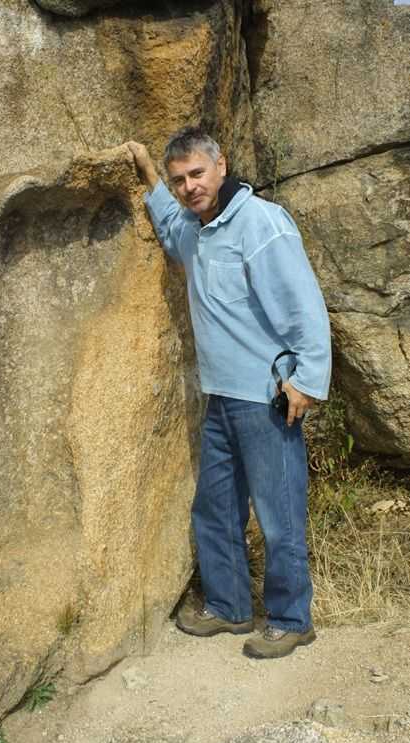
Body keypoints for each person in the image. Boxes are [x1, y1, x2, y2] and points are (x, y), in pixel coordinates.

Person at [126, 127, 331, 659]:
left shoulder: (260, 222)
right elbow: (170, 227)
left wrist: (307, 381)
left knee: (278, 514)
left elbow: (304, 305)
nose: (189, 187)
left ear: (221, 166)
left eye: (197, 173)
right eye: (179, 180)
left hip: (266, 398)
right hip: (219, 397)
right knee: (215, 508)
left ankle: (291, 620)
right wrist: (147, 172)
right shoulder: (196, 229)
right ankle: (229, 606)